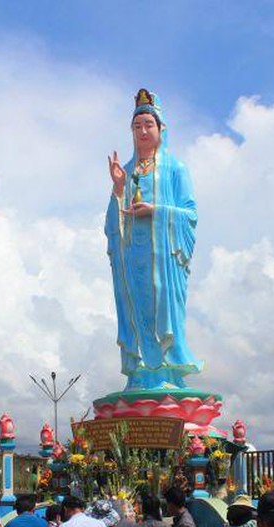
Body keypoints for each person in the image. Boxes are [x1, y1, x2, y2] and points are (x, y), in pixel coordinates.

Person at [105, 87, 202, 390]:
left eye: (148, 125)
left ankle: (167, 375)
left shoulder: (175, 168)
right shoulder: (128, 170)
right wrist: (119, 190)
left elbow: (190, 214)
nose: (143, 131)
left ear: (161, 129)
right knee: (135, 309)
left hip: (163, 262)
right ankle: (139, 372)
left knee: (162, 310)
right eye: (137, 126)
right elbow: (111, 227)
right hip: (133, 260)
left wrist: (156, 211)